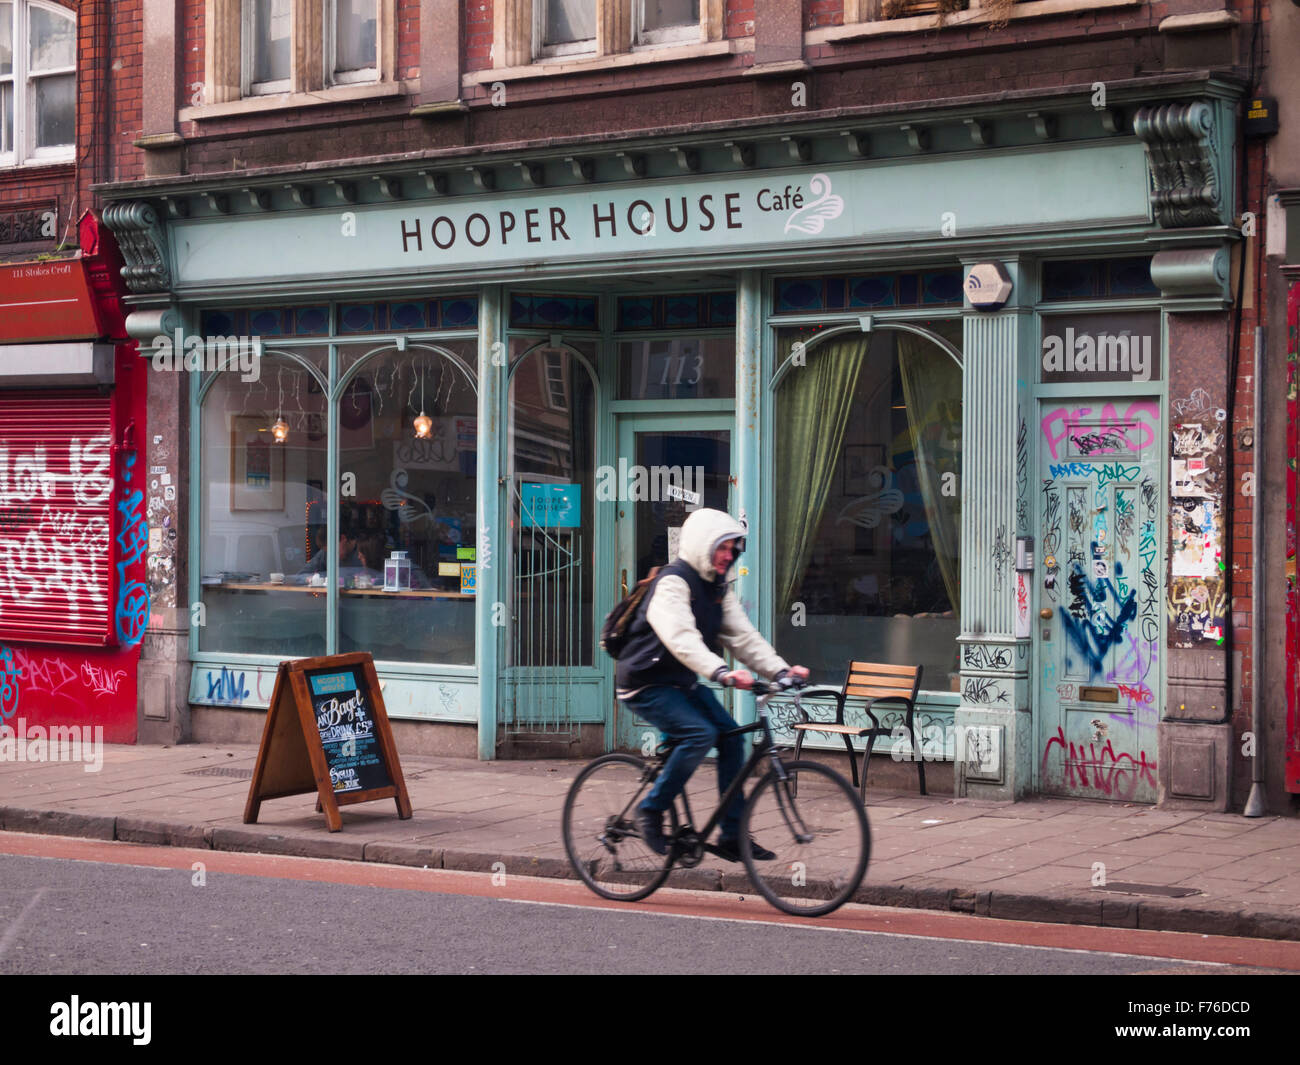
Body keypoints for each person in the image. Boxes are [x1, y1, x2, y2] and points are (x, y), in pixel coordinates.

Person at [616, 508, 810, 862]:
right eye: (722, 547)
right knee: (699, 735)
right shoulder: (673, 582)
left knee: (732, 738)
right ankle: (651, 809)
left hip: (681, 683)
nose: (728, 555)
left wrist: (780, 672)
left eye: (734, 548)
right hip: (645, 683)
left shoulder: (718, 587)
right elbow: (681, 638)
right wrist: (721, 672)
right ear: (703, 544)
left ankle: (732, 835)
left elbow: (743, 637)